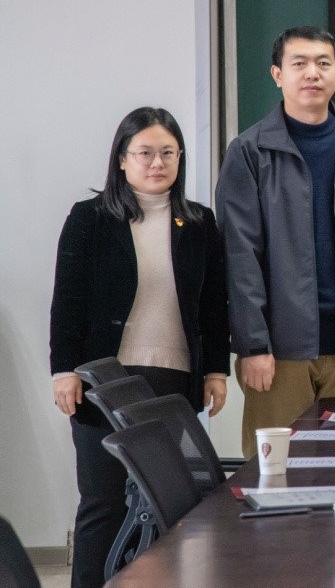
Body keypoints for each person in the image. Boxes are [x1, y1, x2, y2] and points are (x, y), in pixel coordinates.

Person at [49, 107, 229, 588]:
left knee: (169, 504)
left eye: (168, 153)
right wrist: (63, 370)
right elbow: (67, 301)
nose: (157, 163)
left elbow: (214, 306)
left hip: (173, 380)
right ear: (122, 159)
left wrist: (216, 370)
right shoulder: (90, 218)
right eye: (145, 153)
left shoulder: (199, 222)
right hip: (103, 380)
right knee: (103, 503)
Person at [217, 26, 335, 458]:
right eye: (299, 64)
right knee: (276, 473)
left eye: (323, 63)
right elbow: (240, 256)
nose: (312, 73)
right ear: (277, 75)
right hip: (279, 351)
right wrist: (253, 345)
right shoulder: (250, 151)